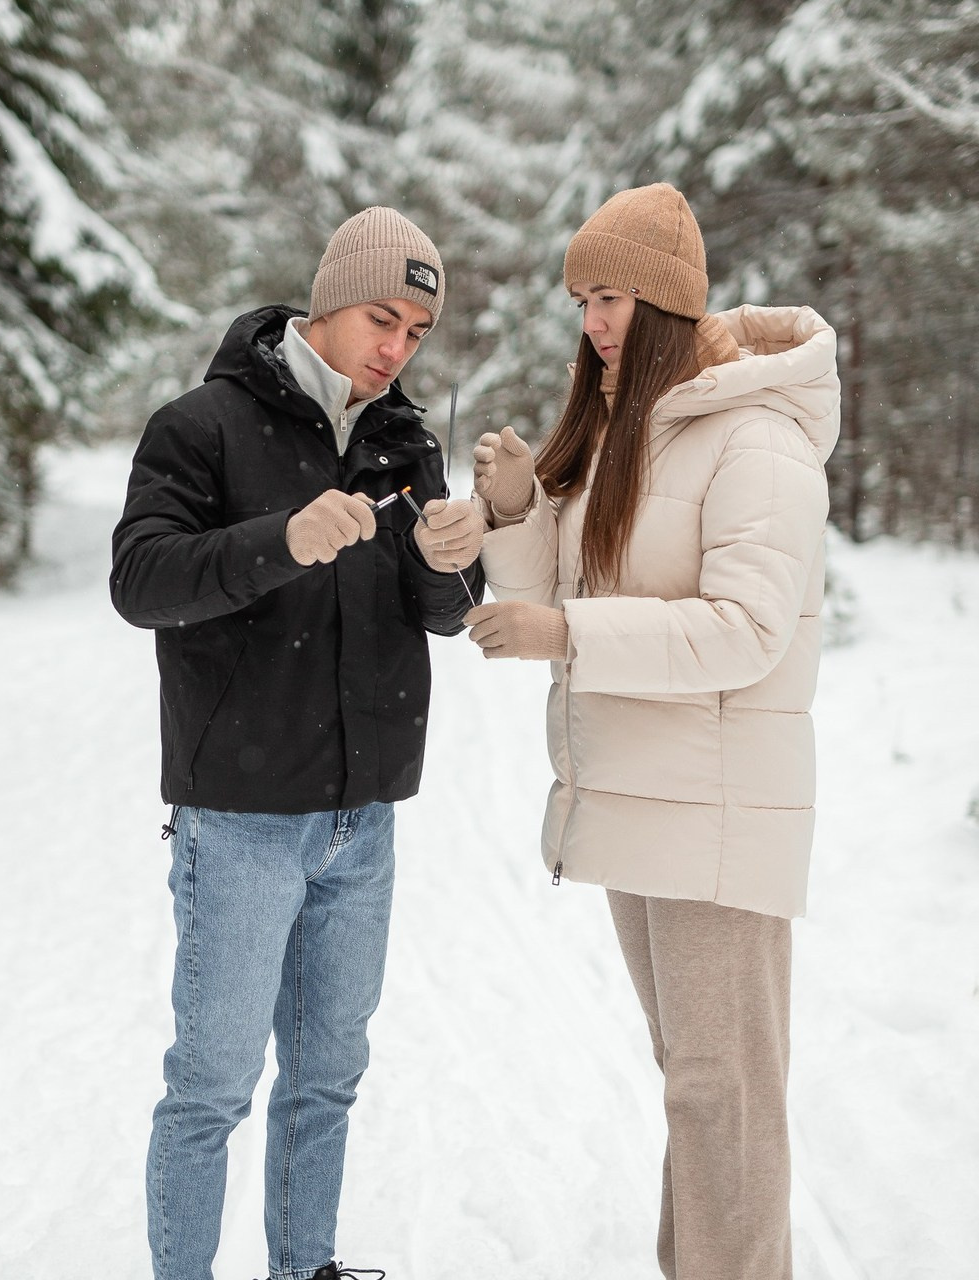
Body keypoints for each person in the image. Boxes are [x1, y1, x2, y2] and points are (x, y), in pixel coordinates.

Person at [465, 182, 839, 1279]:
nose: (590, 320)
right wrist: (516, 507)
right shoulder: (635, 427)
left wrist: (563, 629)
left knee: (722, 1094)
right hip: (644, 803)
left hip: (716, 817)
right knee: (693, 1077)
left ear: (667, 302)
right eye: (582, 298)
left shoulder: (753, 437)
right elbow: (563, 584)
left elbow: (744, 631)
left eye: (611, 296)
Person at [110, 206, 484, 1280]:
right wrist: (279, 540)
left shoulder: (404, 437)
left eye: (415, 331)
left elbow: (443, 610)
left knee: (326, 1077)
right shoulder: (202, 425)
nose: (395, 347)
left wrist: (454, 555)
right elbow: (140, 580)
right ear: (325, 300)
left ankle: (302, 1266)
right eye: (381, 317)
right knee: (212, 1085)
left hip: (362, 820)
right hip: (238, 820)